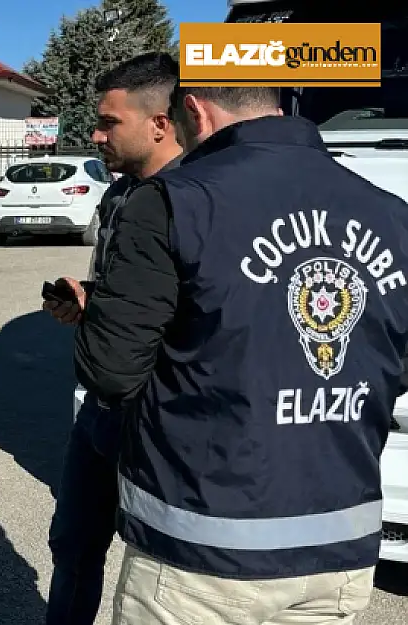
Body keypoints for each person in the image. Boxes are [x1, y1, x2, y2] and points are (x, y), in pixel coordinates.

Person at [72, 86, 408, 624]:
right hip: (338, 553)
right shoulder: (393, 215)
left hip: (200, 555)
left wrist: (103, 311)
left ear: (197, 110)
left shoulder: (173, 201)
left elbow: (112, 371)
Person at [41, 51, 183, 625]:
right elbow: (137, 296)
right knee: (73, 547)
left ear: (160, 123)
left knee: (158, 566)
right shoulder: (119, 194)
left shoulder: (194, 203)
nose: (96, 134)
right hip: (99, 413)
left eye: (109, 122)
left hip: (157, 416)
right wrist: (88, 303)